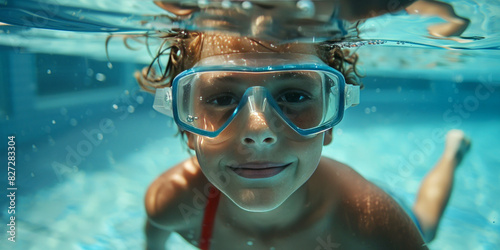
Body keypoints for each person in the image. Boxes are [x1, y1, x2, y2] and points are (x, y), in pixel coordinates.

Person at [136, 31, 470, 250]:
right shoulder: (170, 203)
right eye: (222, 98)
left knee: (425, 225)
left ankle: (452, 153)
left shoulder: (369, 217)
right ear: (186, 125)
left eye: (294, 96)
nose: (258, 130)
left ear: (329, 124)